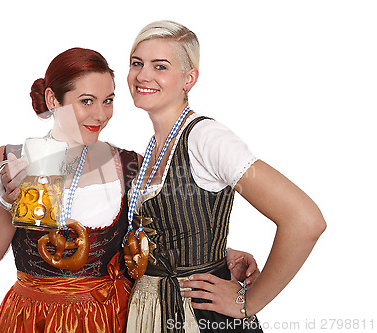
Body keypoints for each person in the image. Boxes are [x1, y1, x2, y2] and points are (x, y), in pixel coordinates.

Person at [0, 47, 259, 333]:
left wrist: (222, 256)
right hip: (33, 319)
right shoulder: (11, 159)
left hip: (110, 316)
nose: (100, 115)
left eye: (108, 100)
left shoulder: (130, 165)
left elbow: (153, 240)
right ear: (52, 99)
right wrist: (11, 202)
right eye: (87, 101)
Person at [124, 21, 326, 333]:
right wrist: (213, 251)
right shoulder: (152, 147)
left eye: (159, 66)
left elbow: (305, 220)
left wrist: (249, 302)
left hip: (198, 318)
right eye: (136, 63)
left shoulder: (207, 138)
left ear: (189, 78)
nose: (142, 76)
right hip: (151, 313)